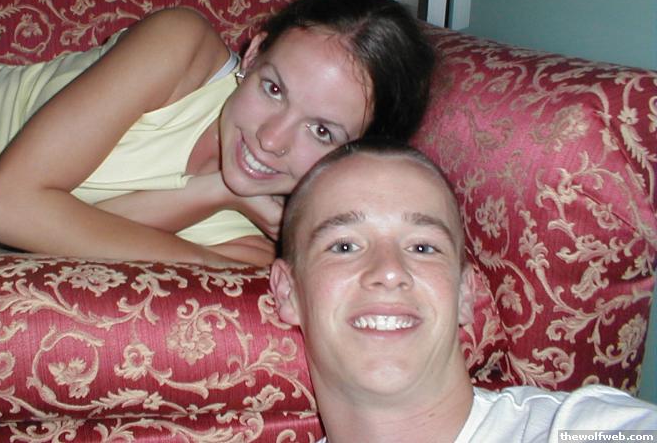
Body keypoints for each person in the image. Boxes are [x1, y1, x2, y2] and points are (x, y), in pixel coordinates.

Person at [0, 0, 435, 329]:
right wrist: (211, 251)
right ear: (254, 53)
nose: (271, 139)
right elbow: (5, 204)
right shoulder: (183, 49)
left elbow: (40, 241)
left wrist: (215, 191)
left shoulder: (256, 245)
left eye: (322, 131)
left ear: (354, 154)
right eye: (274, 88)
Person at [270, 139, 657, 443]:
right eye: (344, 246)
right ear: (288, 291)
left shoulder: (580, 430)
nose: (389, 271)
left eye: (423, 247)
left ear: (465, 294)